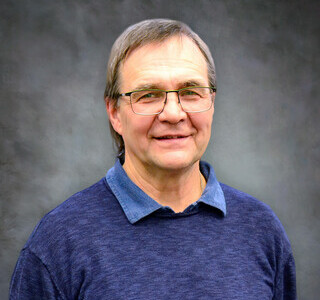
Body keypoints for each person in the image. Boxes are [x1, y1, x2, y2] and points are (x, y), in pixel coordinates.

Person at [10, 19, 297, 299]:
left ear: (211, 103)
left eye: (190, 92)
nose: (173, 113)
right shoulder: (57, 244)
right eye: (148, 95)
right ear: (114, 113)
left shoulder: (261, 229)